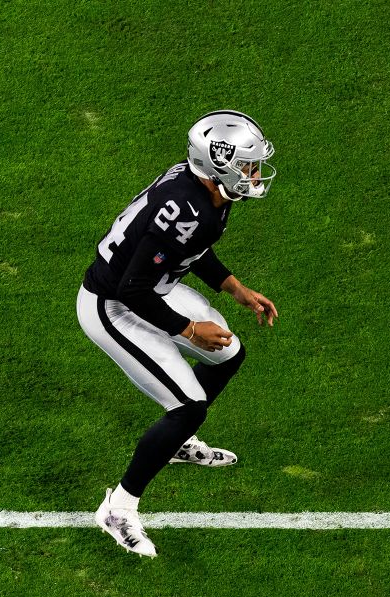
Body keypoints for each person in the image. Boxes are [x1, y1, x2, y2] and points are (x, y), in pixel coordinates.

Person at [76, 110, 279, 557]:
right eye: (246, 165)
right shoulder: (189, 207)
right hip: (113, 305)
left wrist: (235, 289)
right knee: (188, 405)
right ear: (217, 165)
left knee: (229, 354)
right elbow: (132, 288)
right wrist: (189, 329)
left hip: (155, 288)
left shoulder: (208, 194)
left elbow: (194, 248)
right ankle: (118, 509)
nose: (254, 174)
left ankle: (177, 443)